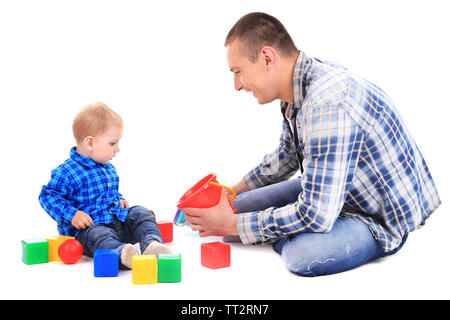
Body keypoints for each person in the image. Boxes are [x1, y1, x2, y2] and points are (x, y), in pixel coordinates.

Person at [181, 12, 441, 276]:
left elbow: (316, 214)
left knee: (300, 255)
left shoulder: (326, 105)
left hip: (375, 215)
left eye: (238, 72)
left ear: (267, 58)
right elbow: (287, 157)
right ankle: (283, 226)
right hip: (333, 188)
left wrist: (236, 225)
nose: (237, 85)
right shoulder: (297, 86)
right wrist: (230, 193)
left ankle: (296, 231)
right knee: (232, 216)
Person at [39, 102, 171, 269]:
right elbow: (47, 196)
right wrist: (72, 214)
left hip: (116, 222)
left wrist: (119, 198)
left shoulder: (107, 166)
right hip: (89, 230)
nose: (118, 150)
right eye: (112, 144)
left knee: (141, 212)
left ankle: (152, 244)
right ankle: (122, 253)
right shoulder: (67, 172)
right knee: (99, 236)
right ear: (90, 143)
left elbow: (106, 193)